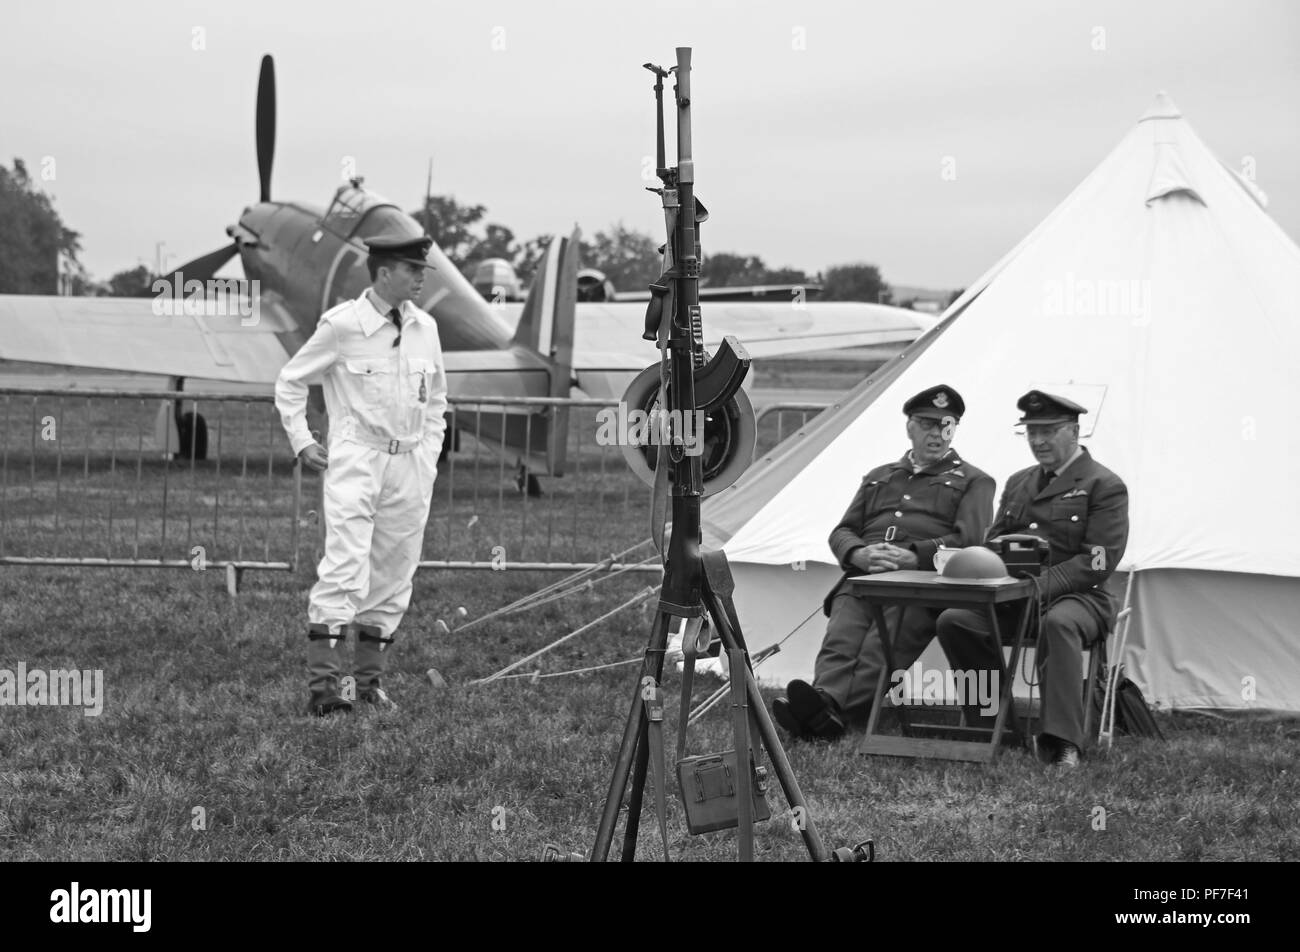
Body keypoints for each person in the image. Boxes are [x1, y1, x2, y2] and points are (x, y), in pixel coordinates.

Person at [275, 233, 448, 716]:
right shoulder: (342, 325)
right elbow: (291, 380)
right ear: (384, 272)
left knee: (395, 572)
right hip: (358, 460)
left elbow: (436, 401)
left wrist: (428, 454)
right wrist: (303, 439)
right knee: (345, 565)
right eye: (413, 270)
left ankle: (369, 685)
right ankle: (325, 689)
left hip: (409, 463)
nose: (420, 278)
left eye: (422, 270)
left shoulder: (425, 328)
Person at [771, 385, 995, 741]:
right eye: (926, 424)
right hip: (863, 576)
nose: (936, 433)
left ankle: (827, 710)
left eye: (945, 425)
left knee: (880, 646)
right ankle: (824, 704)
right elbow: (843, 530)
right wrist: (857, 553)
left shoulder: (974, 481)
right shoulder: (880, 476)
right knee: (841, 640)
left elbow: (969, 542)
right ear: (910, 427)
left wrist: (916, 555)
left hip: (919, 585)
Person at [936, 390, 1128, 768]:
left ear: (1074, 432)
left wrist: (1038, 586)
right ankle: (991, 725)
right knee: (955, 621)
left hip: (1080, 598)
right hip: (1014, 596)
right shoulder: (1019, 481)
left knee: (1057, 623)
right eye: (1031, 432)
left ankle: (1061, 742)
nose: (1038, 441)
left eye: (1049, 431)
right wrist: (987, 556)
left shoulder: (1103, 485)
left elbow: (1098, 560)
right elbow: (994, 541)